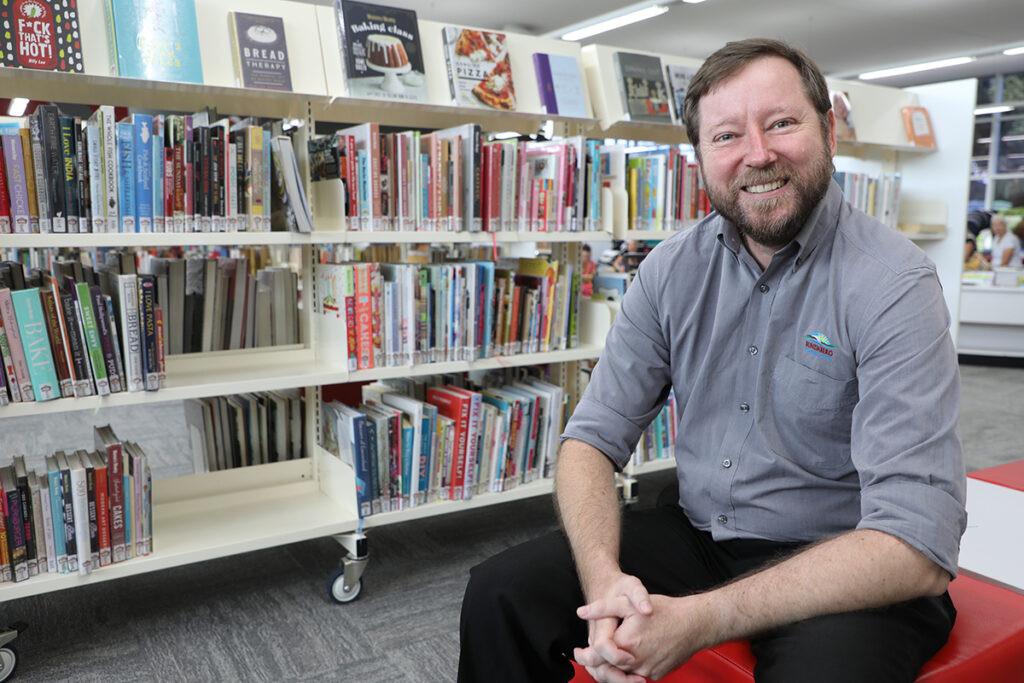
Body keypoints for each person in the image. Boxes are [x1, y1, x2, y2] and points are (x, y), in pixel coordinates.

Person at [458, 38, 965, 683]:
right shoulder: (670, 269)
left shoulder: (894, 285)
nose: (758, 154)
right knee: (501, 593)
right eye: (727, 136)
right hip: (702, 534)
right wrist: (606, 582)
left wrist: (700, 619)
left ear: (827, 130)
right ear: (699, 157)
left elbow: (916, 543)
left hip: (848, 563)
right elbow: (590, 440)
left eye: (781, 123)